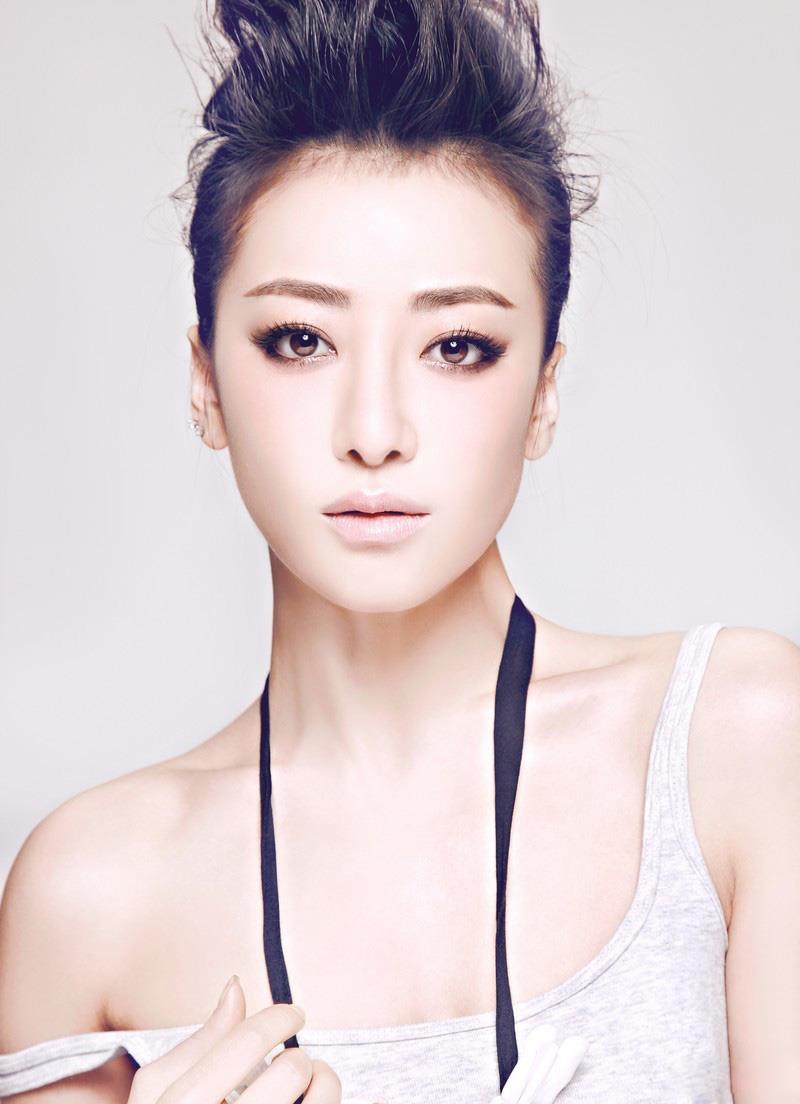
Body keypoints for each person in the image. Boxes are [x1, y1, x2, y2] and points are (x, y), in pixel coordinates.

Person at [1, 0, 798, 1101]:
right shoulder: (89, 895)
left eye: (457, 346)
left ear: (543, 394)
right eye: (300, 340)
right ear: (205, 383)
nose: (374, 431)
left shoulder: (736, 745)